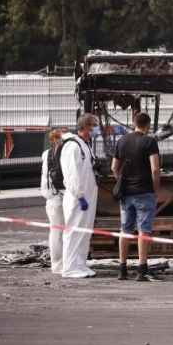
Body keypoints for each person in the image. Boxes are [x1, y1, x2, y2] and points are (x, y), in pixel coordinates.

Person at [112, 112, 161, 281]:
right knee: (143, 230)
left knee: (125, 230)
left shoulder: (122, 141)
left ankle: (122, 268)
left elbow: (114, 167)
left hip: (126, 194)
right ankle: (142, 269)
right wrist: (155, 189)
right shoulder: (150, 141)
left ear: (133, 123)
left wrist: (121, 181)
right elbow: (155, 169)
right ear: (148, 125)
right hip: (144, 191)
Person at [60, 114, 99, 278]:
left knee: (84, 232)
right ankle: (69, 267)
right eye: (94, 126)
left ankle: (80, 264)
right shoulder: (72, 146)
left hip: (87, 196)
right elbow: (72, 174)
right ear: (85, 127)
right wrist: (80, 195)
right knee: (74, 231)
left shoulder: (84, 144)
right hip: (78, 198)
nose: (96, 129)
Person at [39, 128, 65, 274]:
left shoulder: (46, 154)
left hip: (51, 197)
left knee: (55, 232)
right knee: (64, 232)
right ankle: (63, 263)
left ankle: (56, 265)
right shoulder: (63, 153)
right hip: (61, 195)